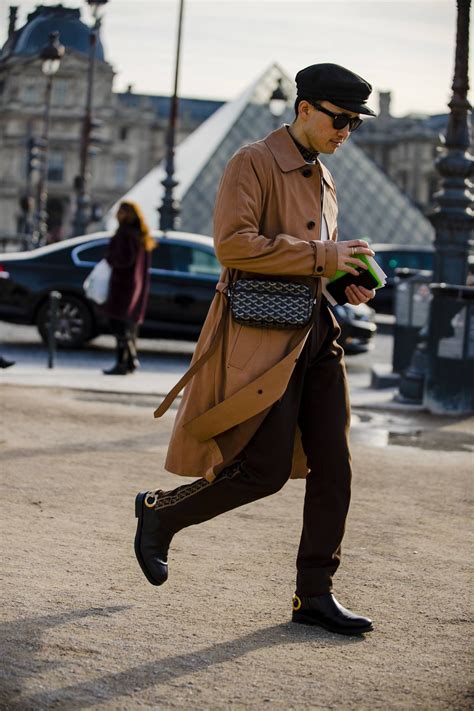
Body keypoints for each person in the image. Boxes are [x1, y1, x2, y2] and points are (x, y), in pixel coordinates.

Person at [135, 64, 377, 635]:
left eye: (355, 124)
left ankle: (313, 594)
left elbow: (310, 255)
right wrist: (324, 257)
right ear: (304, 109)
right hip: (265, 340)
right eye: (339, 119)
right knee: (263, 470)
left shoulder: (324, 175)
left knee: (335, 468)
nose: (346, 131)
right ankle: (159, 515)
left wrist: (345, 278)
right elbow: (234, 245)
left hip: (318, 330)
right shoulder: (253, 161)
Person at [102, 201, 155, 376]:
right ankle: (131, 361)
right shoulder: (140, 235)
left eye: (120, 211)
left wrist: (111, 258)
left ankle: (121, 363)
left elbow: (125, 259)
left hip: (122, 285)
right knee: (127, 325)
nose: (117, 214)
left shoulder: (125, 233)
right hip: (135, 286)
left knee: (117, 324)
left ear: (127, 214)